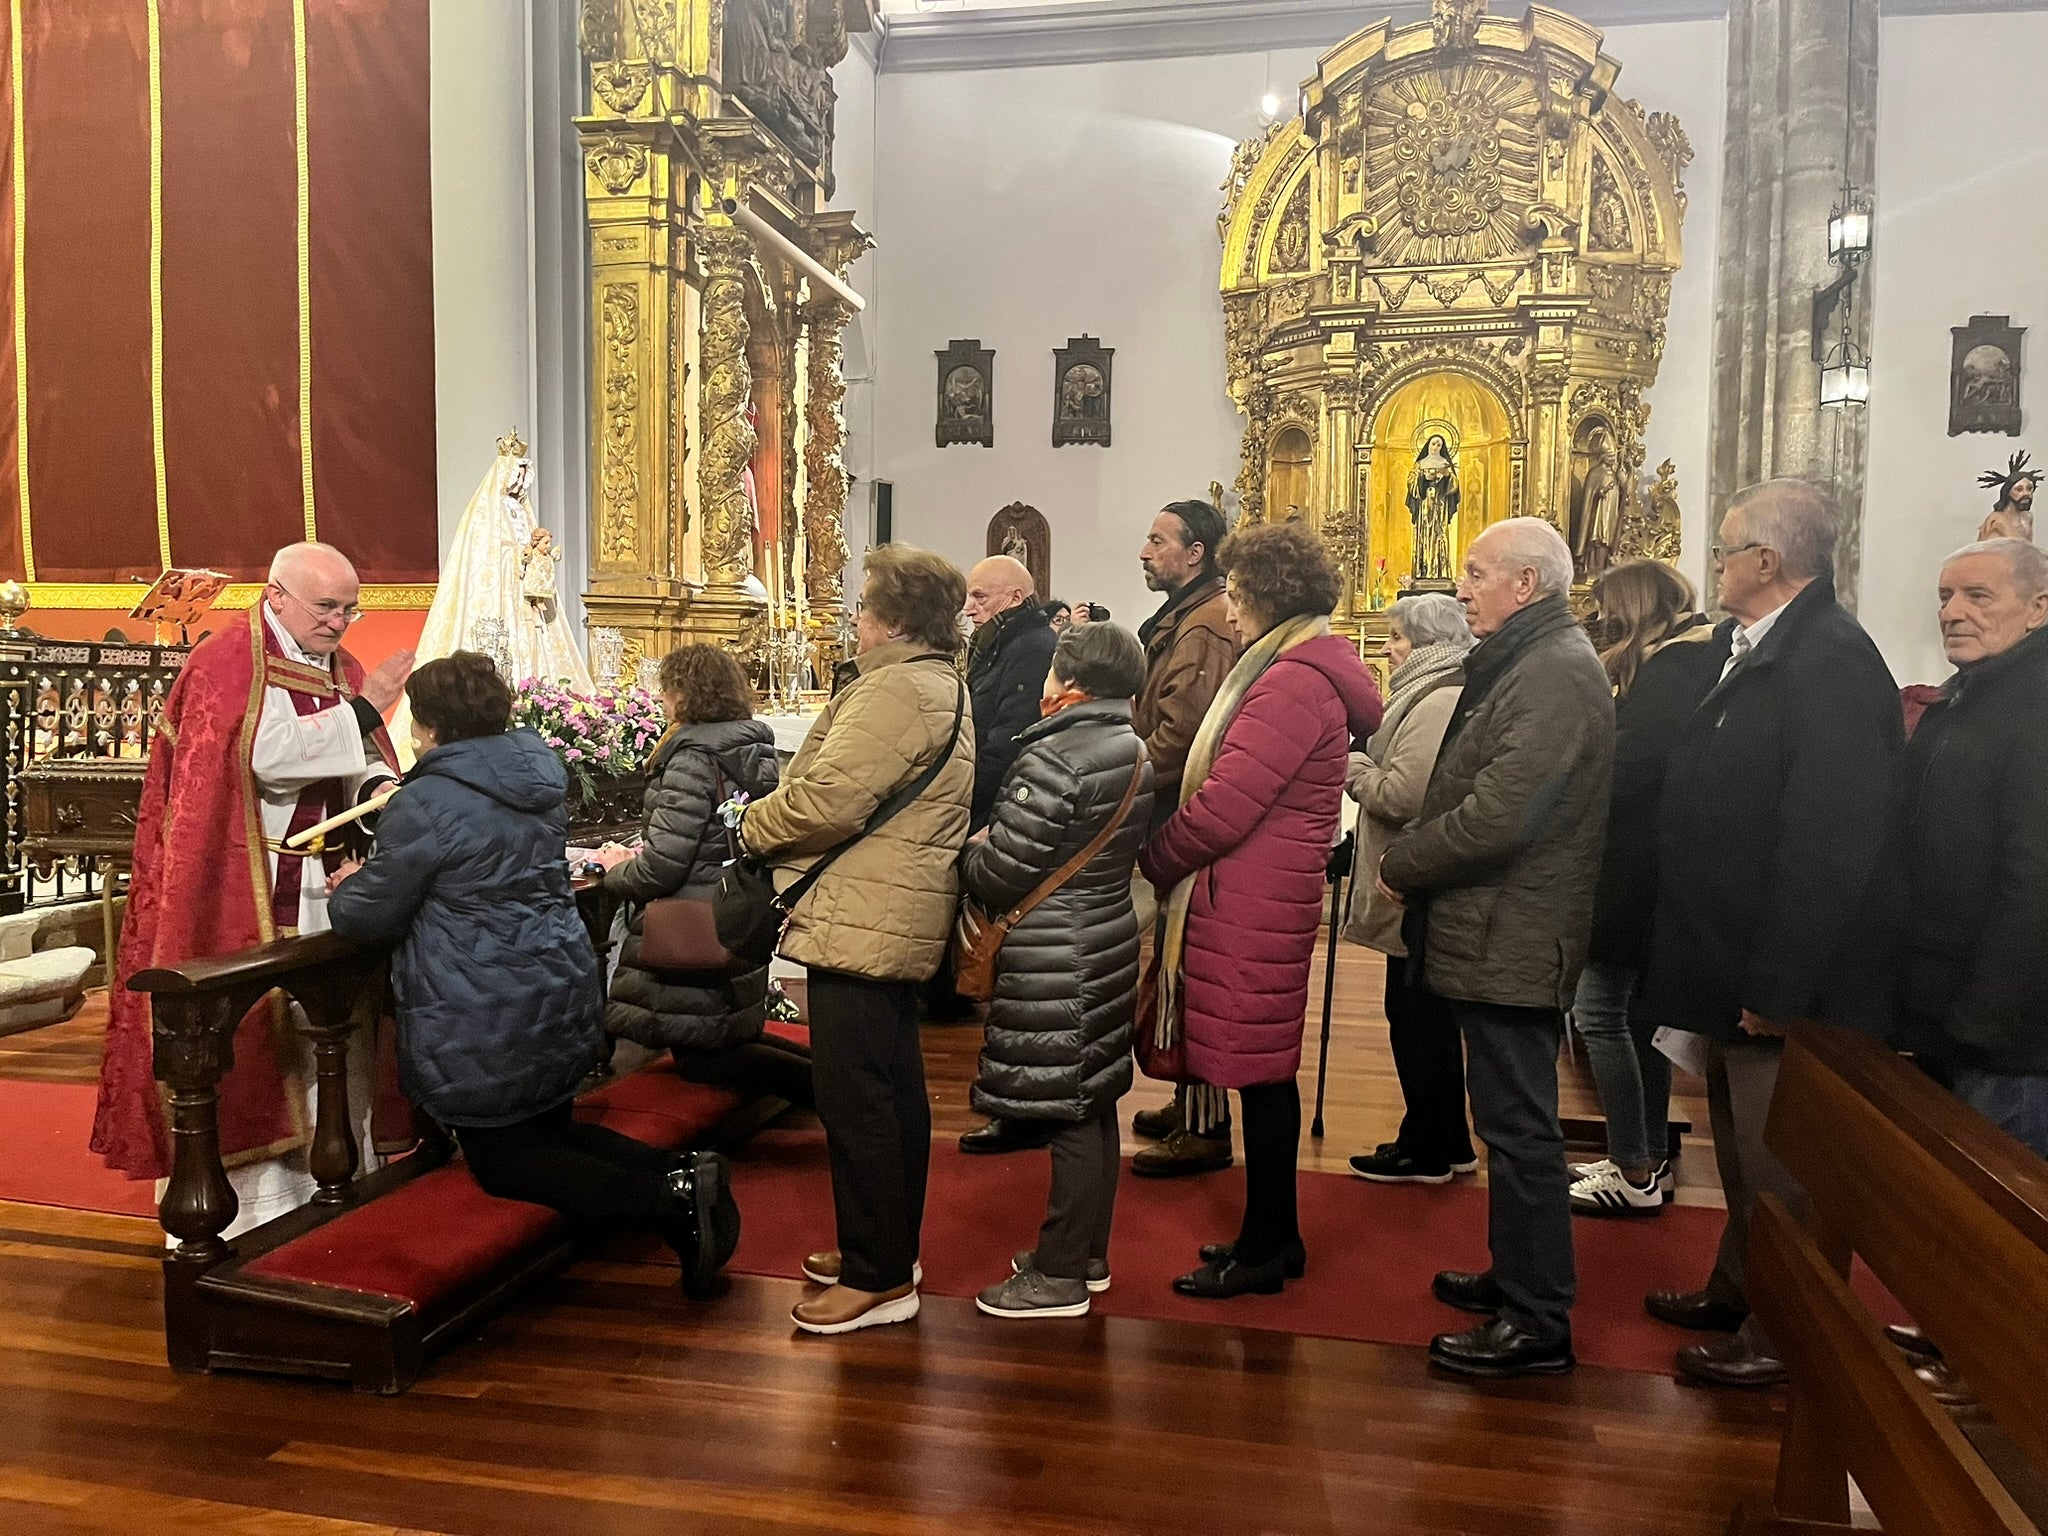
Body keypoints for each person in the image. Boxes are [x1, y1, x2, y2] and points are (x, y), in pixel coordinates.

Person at [326, 654, 739, 1297]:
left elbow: (370, 914)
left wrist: (350, 886)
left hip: (479, 994)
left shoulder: (426, 800)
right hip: (552, 974)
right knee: (548, 1129)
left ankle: (670, 1197)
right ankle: (685, 1168)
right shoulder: (534, 775)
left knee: (505, 1162)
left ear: (429, 726)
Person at [1636, 480, 1902, 1389]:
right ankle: (1740, 1288)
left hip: (1777, 978)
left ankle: (1785, 1333)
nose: (1715, 564)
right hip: (1727, 957)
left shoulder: (1828, 659)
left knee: (1782, 1162)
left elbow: (1830, 843)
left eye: (1725, 549)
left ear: (1768, 562)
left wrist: (1781, 988)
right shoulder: (1766, 647)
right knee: (1743, 1151)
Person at [91, 543, 414, 1231]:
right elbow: (266, 760)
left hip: (327, 886)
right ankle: (259, 1211)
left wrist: (380, 784)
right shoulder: (229, 662)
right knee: (261, 1041)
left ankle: (338, 1180)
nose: (341, 622)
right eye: (327, 607)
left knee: (334, 1032)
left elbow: (354, 756)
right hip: (251, 884)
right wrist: (363, 712)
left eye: (351, 608)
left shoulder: (339, 665)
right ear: (276, 596)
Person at [1378, 518, 1615, 1380]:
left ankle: (1538, 1319)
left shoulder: (1553, 671)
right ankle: (1518, 1276)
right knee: (1505, 1120)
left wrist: (1404, 860)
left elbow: (1504, 813)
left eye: (1476, 573)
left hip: (1515, 924)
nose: (1460, 586)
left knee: (1520, 1128)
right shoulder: (1527, 656)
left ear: (1527, 584)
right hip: (1495, 923)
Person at [1140, 522, 1383, 1299]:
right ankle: (1273, 1235)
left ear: (1269, 596)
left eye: (1239, 595)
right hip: (1257, 895)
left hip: (1250, 898)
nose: (1231, 611)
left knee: (1262, 1077)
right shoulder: (1295, 667)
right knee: (1261, 1074)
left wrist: (1156, 857)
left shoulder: (1289, 680)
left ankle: (1268, 1247)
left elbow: (1224, 808)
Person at [737, 545, 975, 1335]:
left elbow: (829, 798)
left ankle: (879, 1277)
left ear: (897, 618)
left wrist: (752, 825)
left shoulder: (900, 687)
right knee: (889, 1089)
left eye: (866, 608)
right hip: (884, 909)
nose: (857, 622)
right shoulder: (932, 679)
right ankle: (885, 1249)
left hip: (868, 916)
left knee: (858, 1099)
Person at [965, 623, 1155, 1319]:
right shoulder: (1128, 744)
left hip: (1054, 950)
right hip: (1102, 935)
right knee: (1093, 1098)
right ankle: (1089, 1254)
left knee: (1067, 1113)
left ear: (1065, 682)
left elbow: (1002, 872)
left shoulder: (1056, 757)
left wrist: (970, 850)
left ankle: (1060, 1274)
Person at [1567, 560, 1722, 1217]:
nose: (1603, 624)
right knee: (1638, 1020)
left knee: (1599, 1013)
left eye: (1608, 612)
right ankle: (1646, 1154)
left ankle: (1633, 1166)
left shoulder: (1674, 666)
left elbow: (1632, 769)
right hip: (1654, 866)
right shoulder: (1702, 654)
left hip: (1633, 869)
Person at [594, 645, 811, 1109]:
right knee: (719, 1036)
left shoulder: (692, 756)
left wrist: (615, 872)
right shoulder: (747, 746)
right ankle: (841, 1090)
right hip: (732, 904)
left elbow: (665, 864)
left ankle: (838, 1098)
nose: (663, 700)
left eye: (667, 690)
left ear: (685, 694)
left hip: (691, 914)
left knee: (704, 1056)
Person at [1898, 538, 2048, 1155]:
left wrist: (1985, 1020)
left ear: (2039, 608)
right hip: (1944, 1014)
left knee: (1996, 1232)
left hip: (2009, 1040)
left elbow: (2034, 881)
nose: (1952, 611)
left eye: (1977, 595)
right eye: (1944, 596)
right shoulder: (1965, 695)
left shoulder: (2036, 703)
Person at [1342, 593, 1478, 1185]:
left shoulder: (1437, 698)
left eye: (1397, 639)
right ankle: (1444, 1139)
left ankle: (1426, 1146)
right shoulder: (1432, 689)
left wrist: (1352, 767)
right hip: (1412, 882)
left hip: (1413, 884)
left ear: (1425, 641)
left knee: (1417, 1016)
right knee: (1423, 1015)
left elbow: (1404, 795)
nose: (1389, 650)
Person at [1129, 498, 1244, 1177]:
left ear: (1196, 552)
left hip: (1182, 817)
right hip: (1178, 815)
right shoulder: (1191, 616)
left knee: (1186, 967)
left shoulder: (1202, 627)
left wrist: (1122, 782)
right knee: (1174, 965)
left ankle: (1205, 1129)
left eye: (1157, 539)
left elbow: (1179, 740)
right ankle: (1190, 1104)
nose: (1145, 552)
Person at [393, 434, 592, 763]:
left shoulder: (522, 513)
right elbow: (484, 561)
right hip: (499, 599)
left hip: (526, 597)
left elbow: (527, 548)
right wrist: (519, 559)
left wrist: (535, 556)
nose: (519, 486)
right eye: (516, 478)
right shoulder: (485, 516)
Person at [964, 555, 1058, 831]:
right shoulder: (996, 643)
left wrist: (962, 799)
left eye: (980, 597)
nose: (969, 609)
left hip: (997, 810)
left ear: (1016, 598)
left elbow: (1009, 744)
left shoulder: (1033, 649)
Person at [1977, 451, 2036, 542]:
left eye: (2029, 488)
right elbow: (2021, 546)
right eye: (2019, 489)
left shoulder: (2027, 517)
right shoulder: (1998, 519)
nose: (2026, 493)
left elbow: (2028, 547)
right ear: (2007, 492)